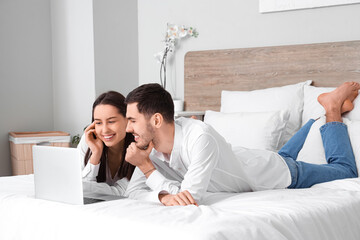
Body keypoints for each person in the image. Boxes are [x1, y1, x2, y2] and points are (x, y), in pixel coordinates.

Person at [124, 82, 359, 206]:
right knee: (281, 156)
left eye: (132, 120)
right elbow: (133, 192)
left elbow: (189, 198)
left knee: (345, 170)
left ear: (156, 120)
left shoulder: (199, 136)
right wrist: (162, 197)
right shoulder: (147, 147)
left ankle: (331, 108)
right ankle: (318, 114)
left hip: (278, 177)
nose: (127, 129)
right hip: (258, 161)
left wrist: (147, 169)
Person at [78, 91, 135, 195]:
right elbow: (79, 188)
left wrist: (87, 187)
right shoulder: (88, 141)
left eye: (111, 121)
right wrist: (95, 155)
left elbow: (123, 192)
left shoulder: (140, 144)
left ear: (128, 119)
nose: (104, 130)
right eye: (98, 123)